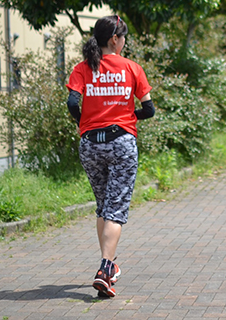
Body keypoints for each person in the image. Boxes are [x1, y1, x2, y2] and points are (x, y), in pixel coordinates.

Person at [66, 15, 154, 299]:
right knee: (115, 208)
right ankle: (105, 268)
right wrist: (129, 117)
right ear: (115, 39)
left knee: (103, 206)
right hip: (121, 143)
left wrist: (85, 123)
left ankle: (110, 264)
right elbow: (149, 109)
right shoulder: (131, 68)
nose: (125, 42)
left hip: (90, 144)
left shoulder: (82, 68)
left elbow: (71, 103)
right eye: (124, 37)